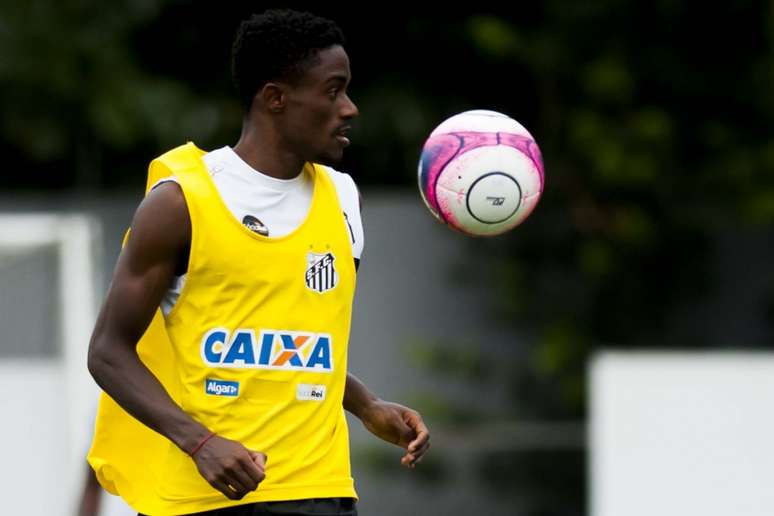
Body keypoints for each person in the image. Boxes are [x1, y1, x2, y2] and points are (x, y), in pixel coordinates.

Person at [87, 9, 430, 516]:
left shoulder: (341, 198)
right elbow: (108, 352)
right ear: (275, 98)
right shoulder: (181, 201)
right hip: (205, 499)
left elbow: (292, 345)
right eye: (334, 91)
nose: (351, 109)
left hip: (320, 490)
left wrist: (366, 405)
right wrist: (200, 443)